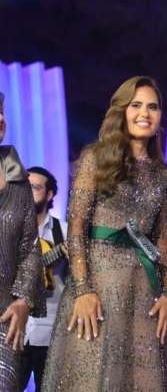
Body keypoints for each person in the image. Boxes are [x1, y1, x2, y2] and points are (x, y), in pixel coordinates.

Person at [42, 76, 167, 391]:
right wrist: (83, 290)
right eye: (136, 105)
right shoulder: (96, 159)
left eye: (153, 107)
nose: (145, 113)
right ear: (122, 111)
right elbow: (76, 228)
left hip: (143, 292)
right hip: (97, 289)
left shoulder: (162, 174)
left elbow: (164, 237)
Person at [0, 91, 46, 389]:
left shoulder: (18, 180)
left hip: (5, 319)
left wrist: (23, 301)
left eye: (1, 112)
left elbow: (30, 248)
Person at [19, 167, 67, 391]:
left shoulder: (64, 232)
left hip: (50, 331)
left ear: (49, 195)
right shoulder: (7, 229)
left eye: (35, 187)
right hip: (12, 329)